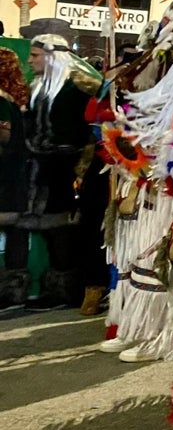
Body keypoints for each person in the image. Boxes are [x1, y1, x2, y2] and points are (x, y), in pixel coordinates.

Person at [22, 34, 103, 310]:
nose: (29, 60)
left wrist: (83, 167)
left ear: (51, 55)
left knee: (65, 229)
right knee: (47, 228)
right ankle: (54, 286)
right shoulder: (38, 87)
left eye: (35, 55)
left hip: (69, 167)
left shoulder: (82, 86)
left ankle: (66, 290)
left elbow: (96, 129)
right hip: (42, 166)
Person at [0, 48, 30, 307]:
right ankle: (15, 290)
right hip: (17, 173)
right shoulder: (20, 98)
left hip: (3, 172)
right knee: (16, 233)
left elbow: (5, 136)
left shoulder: (2, 101)